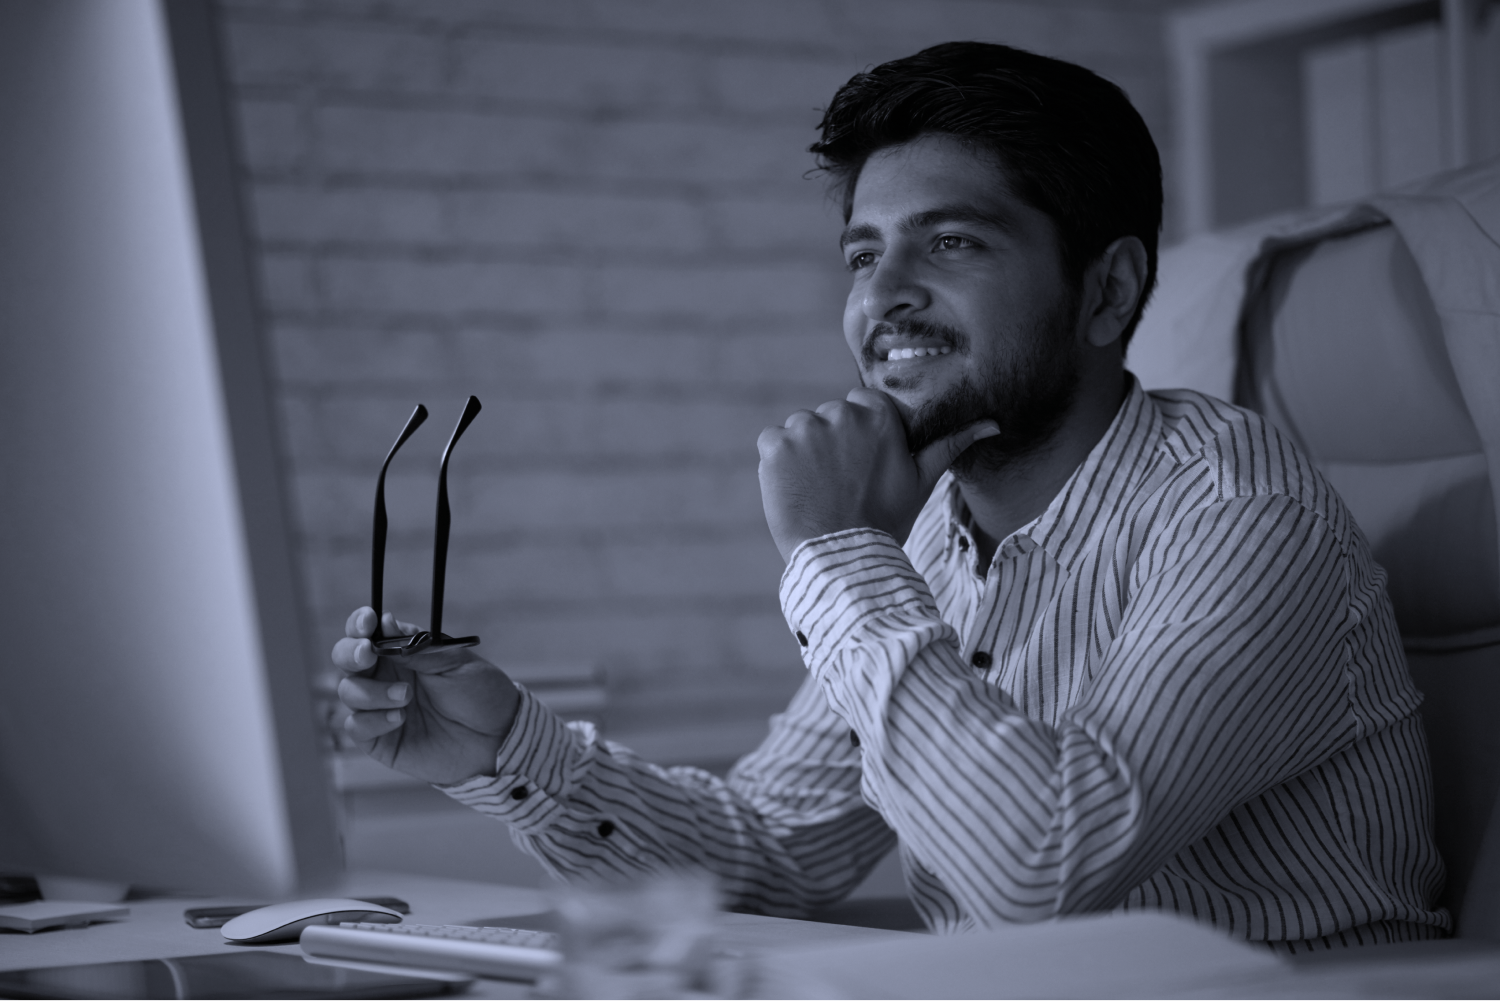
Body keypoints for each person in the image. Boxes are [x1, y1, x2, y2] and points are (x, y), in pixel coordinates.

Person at [332, 42, 1446, 950]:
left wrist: (839, 553)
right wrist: (503, 748)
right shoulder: (932, 535)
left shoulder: (1243, 512)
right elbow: (779, 849)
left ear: (1108, 290)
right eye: (863, 256)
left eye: (951, 242)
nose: (886, 300)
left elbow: (1040, 870)